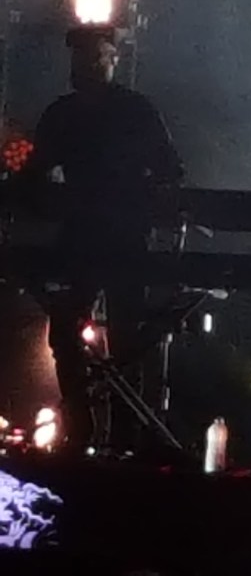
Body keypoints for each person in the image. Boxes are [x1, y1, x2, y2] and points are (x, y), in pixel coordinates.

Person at [24, 26, 183, 452]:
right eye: (82, 58)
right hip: (91, 237)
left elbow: (170, 169)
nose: (87, 64)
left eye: (96, 56)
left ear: (114, 59)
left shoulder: (131, 110)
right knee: (78, 335)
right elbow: (36, 174)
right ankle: (91, 431)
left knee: (120, 339)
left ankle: (110, 434)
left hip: (117, 238)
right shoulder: (65, 113)